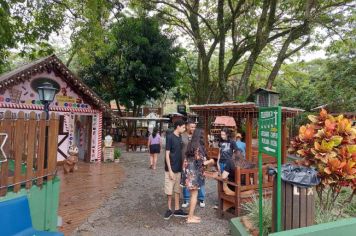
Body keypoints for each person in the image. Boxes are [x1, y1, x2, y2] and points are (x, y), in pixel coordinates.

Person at [181, 128, 213, 223]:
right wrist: (211, 161)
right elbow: (202, 162)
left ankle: (190, 215)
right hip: (193, 174)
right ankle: (190, 218)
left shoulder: (191, 144)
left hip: (188, 172)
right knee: (194, 195)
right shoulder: (198, 146)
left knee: (192, 195)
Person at [164, 120, 188, 220]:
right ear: (178, 127)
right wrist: (169, 170)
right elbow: (167, 154)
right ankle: (169, 209)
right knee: (169, 190)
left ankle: (177, 209)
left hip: (178, 168)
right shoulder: (170, 137)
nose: (184, 128)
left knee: (177, 190)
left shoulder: (180, 137)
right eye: (183, 127)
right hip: (171, 168)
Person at [181, 120, 206, 208]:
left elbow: (202, 149)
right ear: (187, 126)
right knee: (187, 180)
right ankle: (186, 199)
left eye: (194, 127)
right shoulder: (182, 136)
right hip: (186, 162)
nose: (193, 129)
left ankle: (201, 198)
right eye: (191, 127)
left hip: (198, 163)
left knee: (200, 180)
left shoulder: (198, 137)